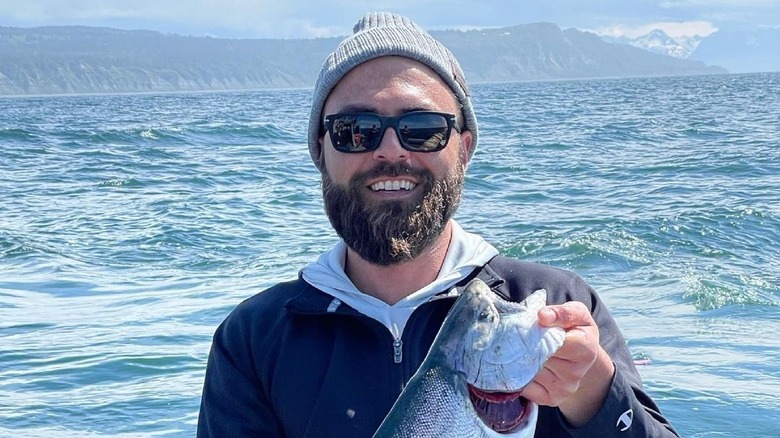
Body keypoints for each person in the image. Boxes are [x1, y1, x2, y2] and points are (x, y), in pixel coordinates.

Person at [197, 12, 678, 438]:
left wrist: (595, 395)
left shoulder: (557, 303)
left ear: (464, 149)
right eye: (355, 131)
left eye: (423, 128)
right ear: (321, 151)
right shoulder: (254, 342)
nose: (389, 150)